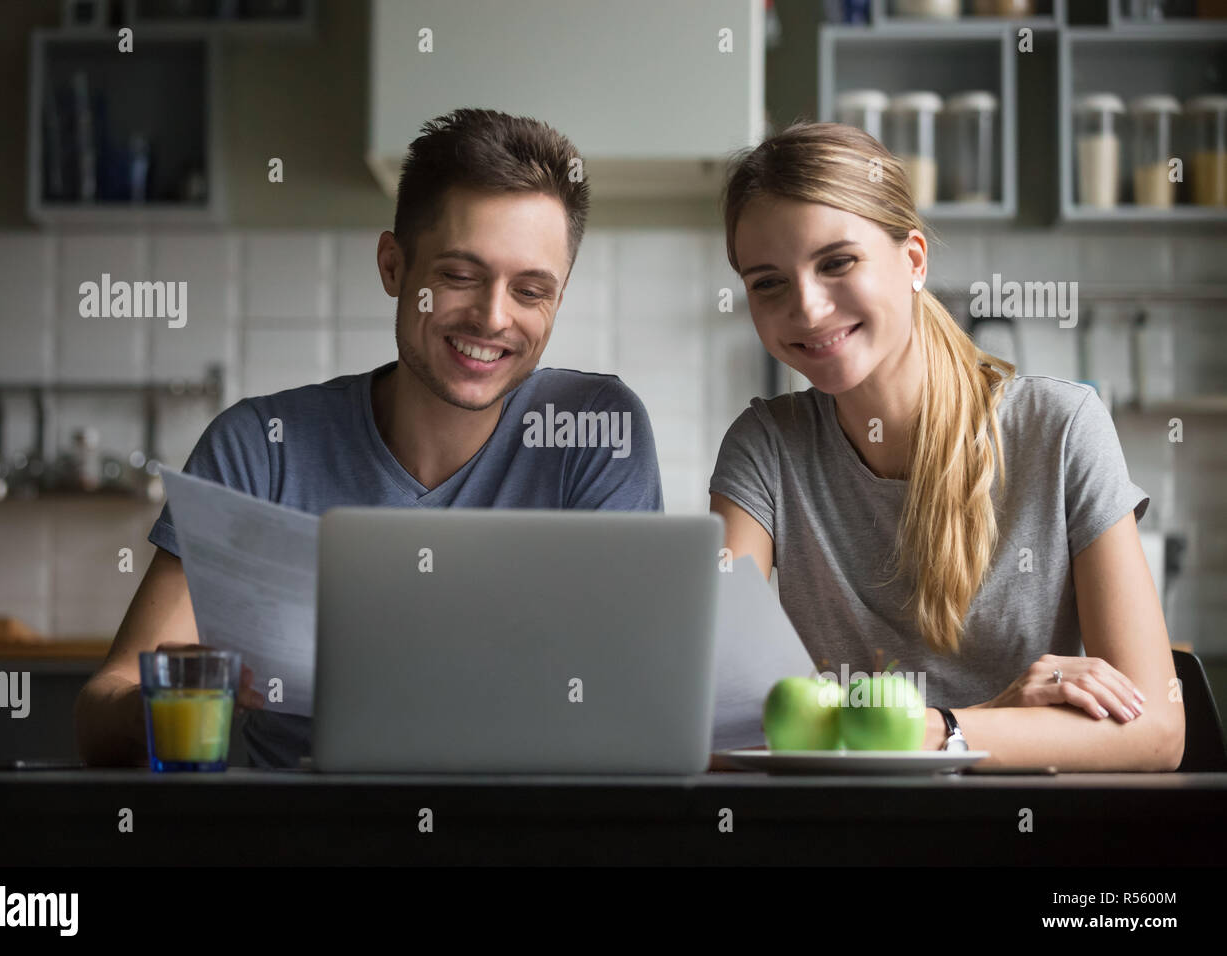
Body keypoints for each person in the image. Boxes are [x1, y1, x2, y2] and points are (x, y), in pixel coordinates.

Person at [76, 108, 664, 769]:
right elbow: (108, 696)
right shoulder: (258, 448)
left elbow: (625, 698)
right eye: (460, 275)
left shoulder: (596, 432)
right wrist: (166, 707)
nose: (494, 317)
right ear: (393, 266)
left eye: (531, 290)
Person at [709, 121, 1184, 771]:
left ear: (913, 261)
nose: (809, 309)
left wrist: (939, 731)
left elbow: (1156, 729)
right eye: (769, 282)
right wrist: (997, 717)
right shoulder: (766, 446)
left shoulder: (1062, 427)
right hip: (834, 832)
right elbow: (714, 713)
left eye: (837, 262)